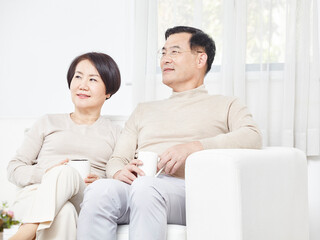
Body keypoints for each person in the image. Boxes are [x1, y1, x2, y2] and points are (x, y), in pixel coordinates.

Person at [77, 26, 262, 240]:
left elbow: (252, 136)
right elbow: (117, 159)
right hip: (140, 187)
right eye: (163, 52)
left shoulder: (226, 105)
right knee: (99, 191)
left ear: (200, 59)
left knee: (146, 188)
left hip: (188, 191)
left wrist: (195, 147)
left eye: (174, 51)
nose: (165, 59)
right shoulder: (143, 110)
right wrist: (119, 172)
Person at [7, 52, 121, 240]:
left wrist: (102, 182)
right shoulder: (47, 122)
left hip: (84, 199)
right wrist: (46, 174)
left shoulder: (116, 133)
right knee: (65, 211)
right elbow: (14, 168)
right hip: (35, 195)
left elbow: (123, 178)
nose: (82, 85)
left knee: (67, 174)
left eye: (93, 79)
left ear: (108, 91)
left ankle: (24, 234)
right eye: (78, 76)